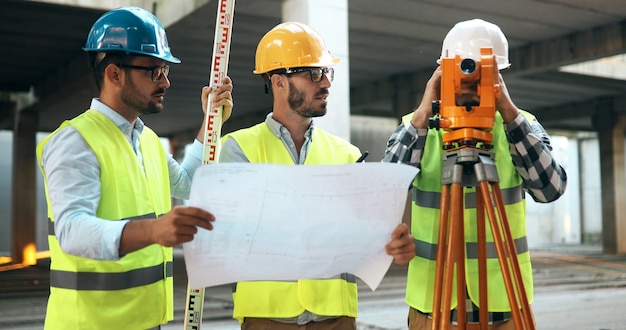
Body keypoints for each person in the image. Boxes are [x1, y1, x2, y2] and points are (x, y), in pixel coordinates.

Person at [36, 6, 233, 329]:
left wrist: (211, 124)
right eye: (155, 71)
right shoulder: (75, 141)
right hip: (91, 323)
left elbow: (187, 184)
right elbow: (71, 230)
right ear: (115, 74)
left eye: (166, 70)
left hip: (146, 319)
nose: (166, 82)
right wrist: (155, 231)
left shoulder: (149, 141)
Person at [219, 21, 415, 330]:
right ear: (278, 81)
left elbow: (368, 238)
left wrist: (392, 243)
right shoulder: (237, 149)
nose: (325, 82)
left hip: (336, 318)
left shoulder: (348, 156)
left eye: (327, 73)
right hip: (267, 318)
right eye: (313, 73)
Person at [383, 19, 568, 329]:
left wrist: (508, 112)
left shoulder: (520, 126)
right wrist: (422, 115)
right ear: (443, 70)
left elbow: (550, 188)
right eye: (461, 69)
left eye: (482, 71)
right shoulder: (416, 126)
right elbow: (384, 192)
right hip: (433, 306)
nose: (469, 79)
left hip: (504, 305)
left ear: (497, 74)